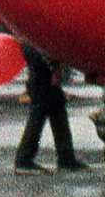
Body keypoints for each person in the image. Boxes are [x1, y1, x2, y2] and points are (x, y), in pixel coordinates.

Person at [15, 45, 89, 174]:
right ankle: (24, 160)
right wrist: (54, 69)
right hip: (43, 75)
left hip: (40, 75)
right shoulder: (36, 33)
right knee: (40, 115)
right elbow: (42, 48)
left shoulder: (27, 33)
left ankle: (66, 158)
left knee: (57, 112)